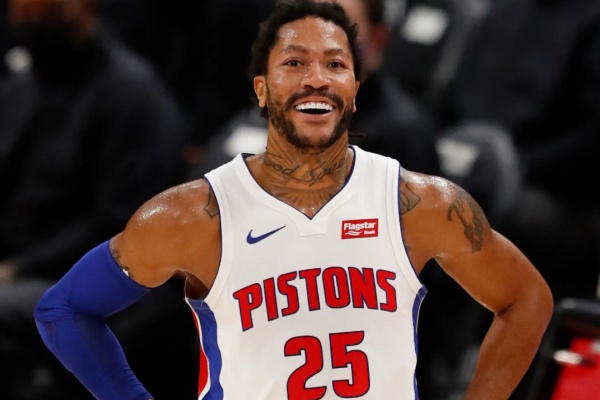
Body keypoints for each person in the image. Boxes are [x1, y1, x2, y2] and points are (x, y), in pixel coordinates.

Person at [33, 1, 553, 399]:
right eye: (295, 62)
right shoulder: (192, 215)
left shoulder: (420, 203)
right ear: (262, 89)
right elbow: (64, 310)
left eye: (335, 64)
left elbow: (527, 299)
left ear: (355, 86)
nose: (316, 79)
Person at [0, 0, 190, 398]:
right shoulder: (24, 85)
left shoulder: (133, 94)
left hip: (82, 275)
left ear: (86, 10)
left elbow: (120, 222)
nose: (34, 25)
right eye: (25, 14)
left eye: (50, 14)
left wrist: (16, 268)